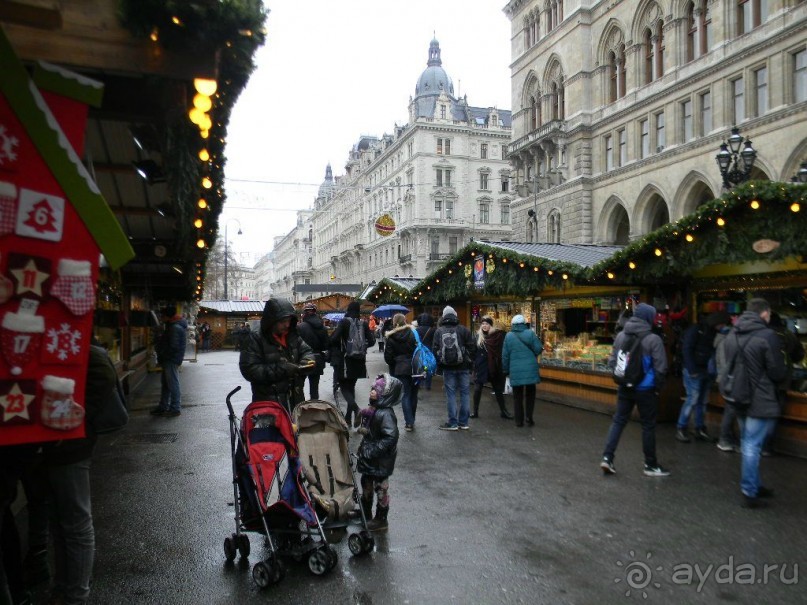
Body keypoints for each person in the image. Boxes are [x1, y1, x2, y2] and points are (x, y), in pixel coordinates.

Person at [23, 344, 121, 605]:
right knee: (58, 520)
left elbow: (102, 373)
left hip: (71, 447)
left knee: (75, 522)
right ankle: (63, 587)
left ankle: (75, 595)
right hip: (46, 446)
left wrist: (76, 417)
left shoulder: (71, 340)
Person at [720, 299, 787, 507]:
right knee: (752, 444)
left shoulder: (733, 333)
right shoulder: (768, 336)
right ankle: (749, 491)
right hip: (760, 397)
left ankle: (755, 485)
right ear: (764, 313)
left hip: (737, 395)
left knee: (748, 441)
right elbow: (777, 371)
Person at [600, 302, 671, 477]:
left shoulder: (620, 336)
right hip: (646, 389)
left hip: (624, 386)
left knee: (618, 421)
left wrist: (622, 378)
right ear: (648, 318)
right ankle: (650, 464)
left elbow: (612, 361)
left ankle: (607, 458)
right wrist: (657, 388)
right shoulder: (653, 339)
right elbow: (661, 367)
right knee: (648, 426)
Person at [240, 298, 316, 413]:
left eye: (289, 320)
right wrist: (282, 369)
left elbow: (307, 351)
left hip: (295, 400)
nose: (287, 325)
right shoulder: (255, 338)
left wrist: (308, 360)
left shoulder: (292, 335)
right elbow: (249, 370)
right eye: (283, 321)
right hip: (269, 405)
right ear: (271, 321)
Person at [675, 311, 730, 443]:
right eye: (722, 324)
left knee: (700, 401)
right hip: (695, 370)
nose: (723, 326)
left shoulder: (710, 331)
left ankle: (698, 428)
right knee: (693, 399)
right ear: (717, 322)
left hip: (704, 370)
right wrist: (692, 369)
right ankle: (682, 427)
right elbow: (687, 349)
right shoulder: (697, 330)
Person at [357, 374, 401, 531]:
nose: (372, 391)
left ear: (385, 394)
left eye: (377, 389)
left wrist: (372, 450)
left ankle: (381, 519)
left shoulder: (386, 414)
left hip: (380, 460)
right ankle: (365, 513)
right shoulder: (374, 410)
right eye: (372, 388)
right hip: (370, 458)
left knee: (381, 489)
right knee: (366, 484)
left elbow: (391, 437)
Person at [763, 312, 805, 456]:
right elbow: (799, 355)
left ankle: (755, 443)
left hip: (763, 380)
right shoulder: (788, 335)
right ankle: (767, 446)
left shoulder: (762, 334)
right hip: (782, 381)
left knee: (759, 411)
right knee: (774, 413)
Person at [329, 301, 375, 427]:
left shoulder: (344, 322)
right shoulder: (363, 323)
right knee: (351, 387)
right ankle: (348, 418)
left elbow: (334, 339)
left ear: (348, 310)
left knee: (344, 387)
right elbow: (372, 341)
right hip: (359, 360)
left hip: (346, 360)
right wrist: (361, 346)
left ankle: (356, 409)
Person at [431, 305, 476, 431]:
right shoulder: (464, 330)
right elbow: (472, 348)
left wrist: (440, 364)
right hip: (463, 366)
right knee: (465, 393)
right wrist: (469, 361)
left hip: (447, 368)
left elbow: (434, 349)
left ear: (443, 317)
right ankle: (464, 422)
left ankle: (452, 423)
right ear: (455, 315)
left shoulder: (439, 331)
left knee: (450, 394)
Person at [501, 315, 543, 427]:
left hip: (515, 369)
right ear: (524, 323)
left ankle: (519, 421)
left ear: (513, 324)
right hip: (530, 369)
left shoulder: (509, 336)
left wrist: (505, 370)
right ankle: (529, 417)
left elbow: (505, 356)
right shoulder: (530, 333)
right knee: (530, 394)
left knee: (517, 396)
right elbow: (538, 349)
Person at [472, 316, 513, 420]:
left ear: (491, 325)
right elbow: (473, 351)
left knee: (498, 389)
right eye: (483, 324)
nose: (484, 326)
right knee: (477, 389)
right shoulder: (477, 337)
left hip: (493, 366)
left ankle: (504, 411)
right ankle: (475, 411)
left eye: (487, 324)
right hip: (481, 366)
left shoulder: (496, 336)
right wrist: (475, 363)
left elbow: (501, 349)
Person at [384, 314, 419, 431]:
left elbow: (388, 357)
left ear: (394, 323)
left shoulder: (391, 337)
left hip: (400, 368)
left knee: (406, 394)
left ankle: (409, 422)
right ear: (405, 321)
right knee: (413, 394)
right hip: (415, 367)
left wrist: (394, 363)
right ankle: (411, 419)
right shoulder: (413, 333)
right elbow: (418, 348)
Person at [150, 306, 188, 417]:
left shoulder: (174, 327)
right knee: (167, 384)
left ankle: (175, 408)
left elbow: (173, 346)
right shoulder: (173, 325)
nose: (161, 318)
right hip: (170, 358)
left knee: (172, 384)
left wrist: (162, 353)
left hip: (171, 359)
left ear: (167, 316)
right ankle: (164, 406)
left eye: (162, 316)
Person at [714, 318, 741, 452]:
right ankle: (724, 439)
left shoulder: (725, 341)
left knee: (731, 410)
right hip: (728, 381)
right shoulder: (727, 342)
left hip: (727, 379)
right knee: (730, 411)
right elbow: (726, 365)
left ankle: (728, 438)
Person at [296, 303, 329, 400]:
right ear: (315, 312)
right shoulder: (322, 327)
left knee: (299, 387)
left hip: (303, 359)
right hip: (318, 358)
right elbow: (326, 345)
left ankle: (301, 406)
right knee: (314, 388)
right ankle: (314, 406)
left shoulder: (300, 327)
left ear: (304, 313)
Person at [416, 313, 436, 390]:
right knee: (428, 367)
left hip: (420, 351)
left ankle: (419, 383)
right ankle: (428, 385)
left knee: (420, 367)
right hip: (429, 351)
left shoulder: (417, 329)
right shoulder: (432, 330)